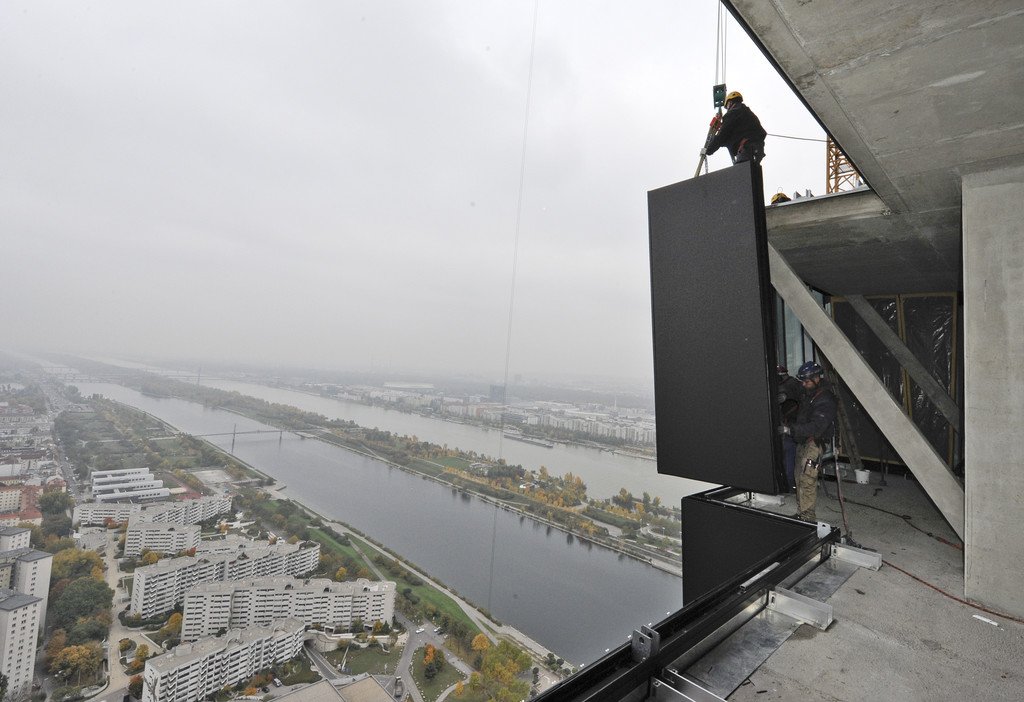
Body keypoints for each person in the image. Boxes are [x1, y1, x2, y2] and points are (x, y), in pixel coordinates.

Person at [778, 361, 836, 521]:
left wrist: (790, 430)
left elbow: (817, 426)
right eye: (802, 381)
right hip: (803, 440)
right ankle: (801, 512)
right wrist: (784, 394)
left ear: (817, 378)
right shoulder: (808, 390)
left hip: (815, 442)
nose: (803, 384)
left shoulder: (826, 399)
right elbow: (794, 387)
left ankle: (808, 517)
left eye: (806, 381)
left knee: (807, 479)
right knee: (798, 477)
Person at [705, 91, 767, 164]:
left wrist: (709, 149)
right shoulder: (747, 113)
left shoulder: (733, 112)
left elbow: (723, 135)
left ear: (730, 102)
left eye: (727, 106)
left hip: (746, 149)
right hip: (757, 150)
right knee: (753, 169)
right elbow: (729, 137)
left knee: (742, 170)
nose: (727, 109)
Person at [777, 365, 802, 491]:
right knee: (788, 457)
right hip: (789, 426)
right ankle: (789, 484)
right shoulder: (792, 384)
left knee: (789, 457)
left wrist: (785, 395)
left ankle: (790, 485)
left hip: (792, 428)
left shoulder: (792, 384)